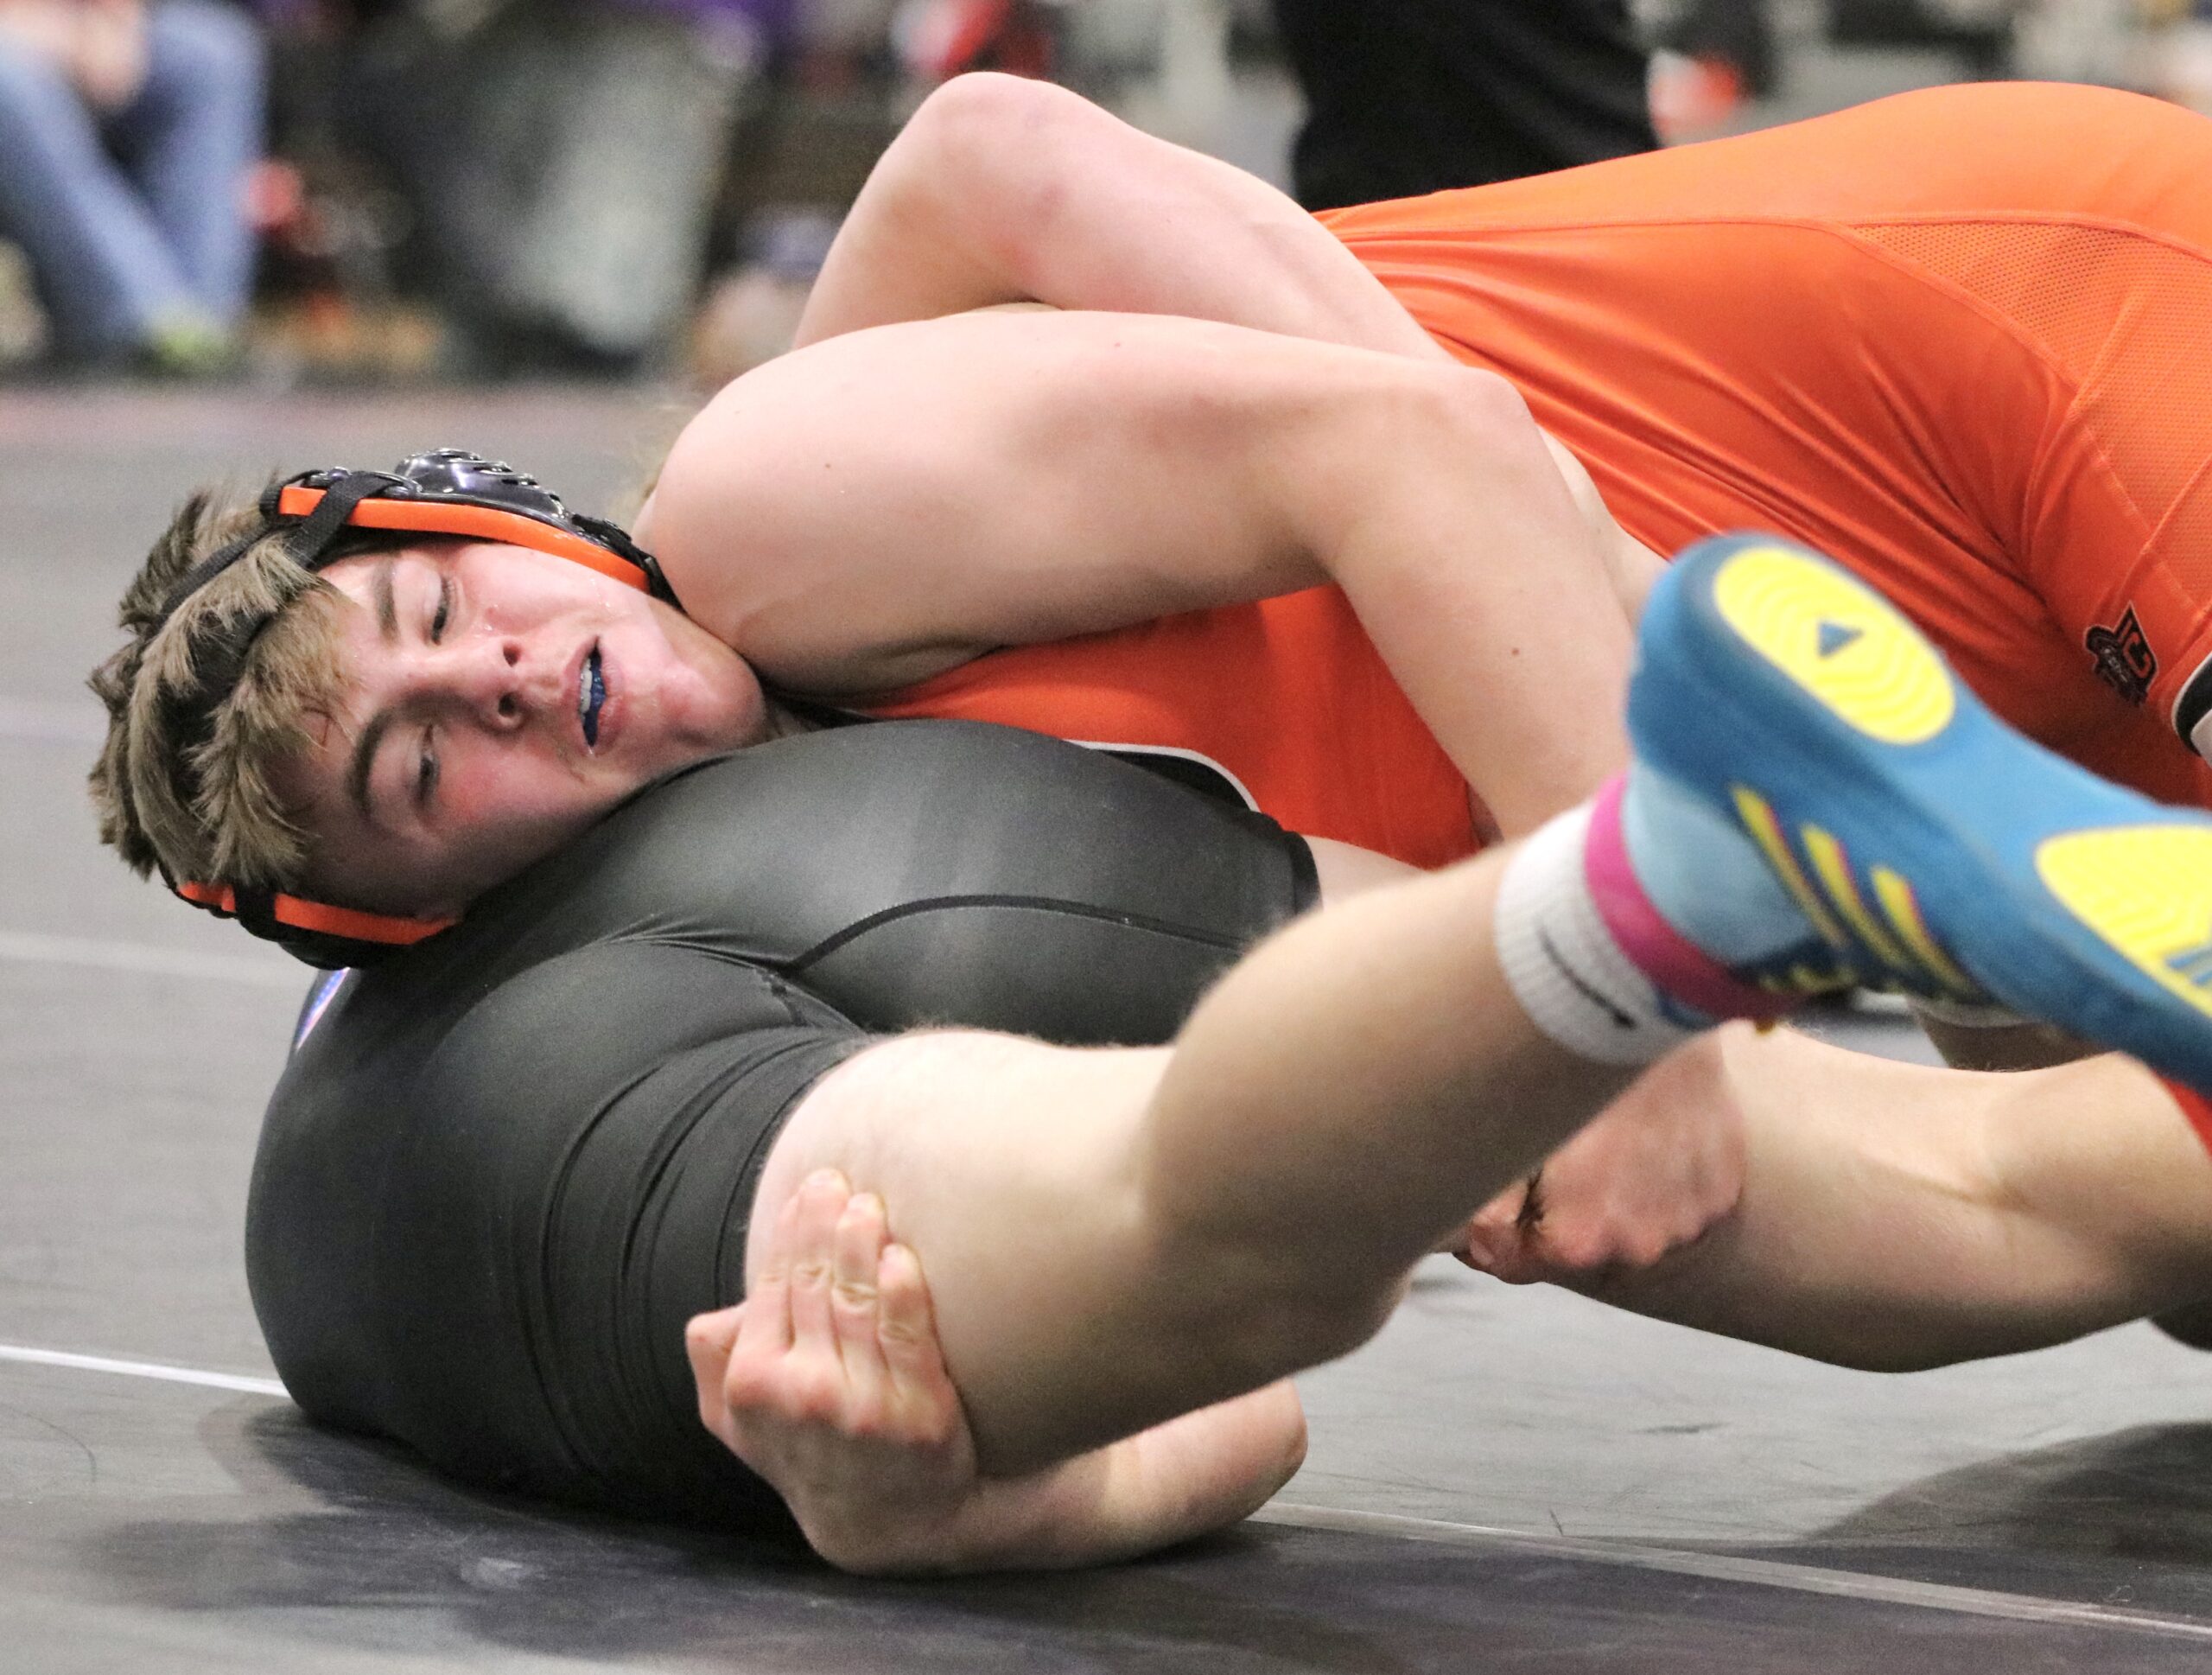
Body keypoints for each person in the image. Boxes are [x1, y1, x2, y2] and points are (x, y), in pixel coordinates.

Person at [246, 530, 2212, 1572]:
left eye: (443, 607)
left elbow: (1365, 408)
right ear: (409, 909)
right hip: (774, 1125)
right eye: (421, 764)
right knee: (2029, 1203)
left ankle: (1654, 884)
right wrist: (964, 1505)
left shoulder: (775, 492)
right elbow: (1238, 1399)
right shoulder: (555, 999)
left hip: (1318, 939)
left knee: (2012, 1207)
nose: (502, 675)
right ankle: (1656, 886)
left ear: (492, 514)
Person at [0, 0, 262, 370]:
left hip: (58, 27)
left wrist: (112, 22)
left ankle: (203, 327)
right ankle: (142, 325)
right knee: (8, 79)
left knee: (208, 54)